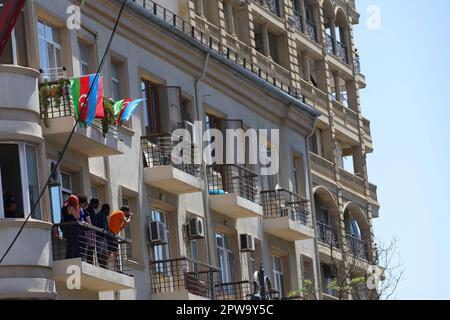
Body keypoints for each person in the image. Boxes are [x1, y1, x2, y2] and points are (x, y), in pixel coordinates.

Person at [107, 207, 134, 271]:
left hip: (113, 234)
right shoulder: (120, 213)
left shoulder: (118, 214)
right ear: (125, 211)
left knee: (113, 252)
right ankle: (111, 267)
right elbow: (127, 222)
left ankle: (115, 267)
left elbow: (120, 228)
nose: (128, 214)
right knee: (112, 251)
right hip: (112, 234)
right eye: (128, 212)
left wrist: (126, 221)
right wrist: (130, 217)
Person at [60, 195, 81, 259]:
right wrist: (77, 208)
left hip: (67, 228)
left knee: (69, 244)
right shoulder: (71, 208)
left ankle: (68, 257)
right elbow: (77, 217)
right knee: (73, 243)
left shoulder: (64, 207)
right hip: (72, 228)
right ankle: (73, 257)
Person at [94, 203, 110, 268]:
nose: (109, 211)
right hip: (99, 236)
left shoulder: (103, 216)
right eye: (108, 209)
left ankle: (104, 266)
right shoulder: (99, 215)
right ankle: (102, 266)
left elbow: (107, 227)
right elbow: (96, 225)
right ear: (106, 209)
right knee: (100, 252)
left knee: (104, 253)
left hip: (104, 237)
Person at [85, 198, 99, 263]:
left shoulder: (91, 210)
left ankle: (91, 262)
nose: (98, 206)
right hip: (89, 230)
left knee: (92, 247)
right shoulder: (88, 210)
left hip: (92, 230)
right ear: (94, 203)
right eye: (97, 204)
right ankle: (89, 262)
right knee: (90, 247)